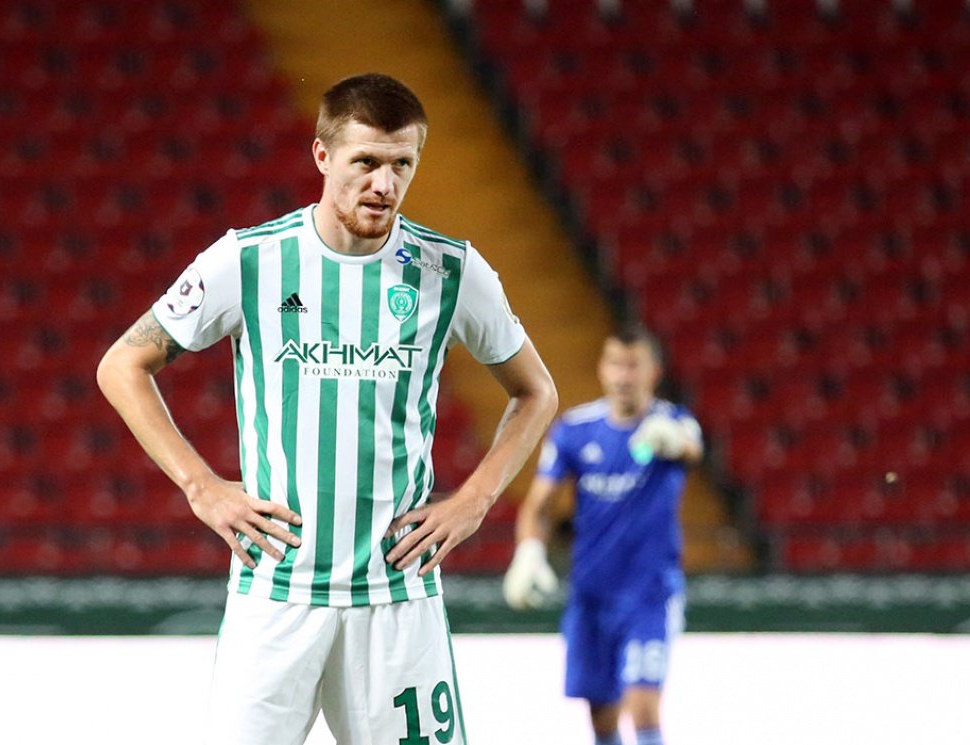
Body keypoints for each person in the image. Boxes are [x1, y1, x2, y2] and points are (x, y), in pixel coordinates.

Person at [97, 72, 558, 744]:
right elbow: (121, 365)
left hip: (396, 598)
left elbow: (537, 390)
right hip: (275, 596)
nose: (384, 184)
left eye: (402, 164)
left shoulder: (449, 270)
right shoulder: (248, 260)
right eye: (365, 161)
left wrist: (477, 498)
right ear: (322, 155)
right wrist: (201, 486)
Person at [503, 325, 703, 745]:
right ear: (602, 369)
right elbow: (539, 506)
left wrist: (674, 443)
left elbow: (691, 449)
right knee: (602, 716)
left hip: (649, 594)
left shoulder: (674, 423)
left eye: (633, 366)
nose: (623, 376)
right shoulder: (575, 430)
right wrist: (529, 552)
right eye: (615, 364)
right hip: (591, 595)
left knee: (643, 706)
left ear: (653, 372)